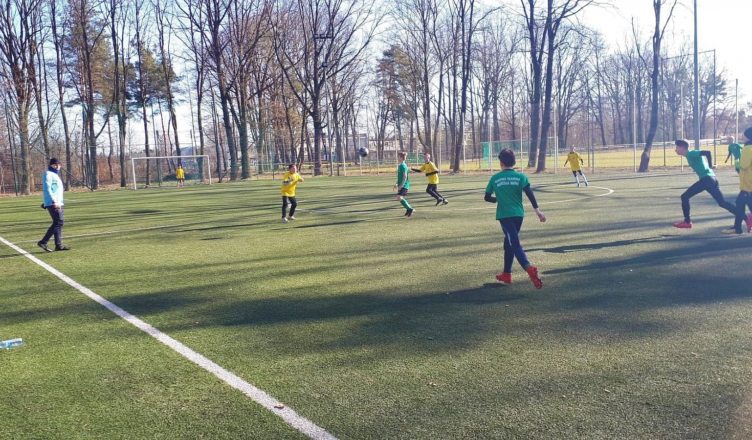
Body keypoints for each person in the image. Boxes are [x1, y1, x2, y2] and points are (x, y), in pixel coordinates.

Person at [485, 148, 546, 289]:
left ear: (501, 162)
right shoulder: (521, 177)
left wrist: (497, 199)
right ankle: (506, 274)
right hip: (518, 215)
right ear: (514, 162)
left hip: (504, 216)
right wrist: (538, 211)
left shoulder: (495, 178)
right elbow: (530, 194)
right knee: (508, 243)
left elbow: (487, 197)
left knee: (514, 244)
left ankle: (529, 268)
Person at [672, 139, 736, 229]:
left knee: (684, 197)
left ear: (682, 148)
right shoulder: (689, 155)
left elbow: (707, 152)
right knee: (722, 203)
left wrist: (710, 165)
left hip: (706, 180)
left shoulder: (691, 153)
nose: (675, 150)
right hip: (711, 179)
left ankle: (687, 222)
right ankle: (744, 216)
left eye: (677, 147)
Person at [723, 128, 752, 234]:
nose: (742, 137)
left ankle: (739, 227)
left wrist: (737, 161)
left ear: (748, 136)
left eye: (744, 135)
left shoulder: (747, 148)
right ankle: (737, 228)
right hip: (748, 184)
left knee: (741, 203)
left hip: (748, 183)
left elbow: (743, 165)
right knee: (740, 203)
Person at [37, 158, 69, 252]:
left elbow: (54, 190)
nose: (58, 166)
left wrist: (48, 202)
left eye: (59, 165)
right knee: (58, 222)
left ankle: (58, 245)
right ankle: (43, 242)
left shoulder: (55, 175)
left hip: (58, 202)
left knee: (58, 223)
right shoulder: (48, 174)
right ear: (51, 165)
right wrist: (53, 201)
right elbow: (47, 189)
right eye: (55, 165)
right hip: (54, 203)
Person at [393, 151, 415, 217]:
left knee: (399, 197)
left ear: (401, 158)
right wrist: (396, 184)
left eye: (398, 157)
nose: (397, 158)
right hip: (401, 184)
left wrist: (401, 185)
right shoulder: (400, 166)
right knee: (399, 197)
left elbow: (405, 177)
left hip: (405, 185)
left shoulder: (403, 166)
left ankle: (410, 209)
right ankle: (408, 209)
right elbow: (400, 177)